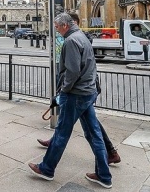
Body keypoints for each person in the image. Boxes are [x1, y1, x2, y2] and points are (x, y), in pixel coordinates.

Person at [28, 13, 112, 189]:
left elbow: (72, 71)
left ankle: (46, 169)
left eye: (57, 27)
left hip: (76, 94)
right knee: (94, 134)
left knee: (61, 133)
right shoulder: (81, 36)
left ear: (65, 25)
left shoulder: (71, 41)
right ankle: (104, 175)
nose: (56, 30)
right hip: (87, 92)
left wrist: (64, 90)